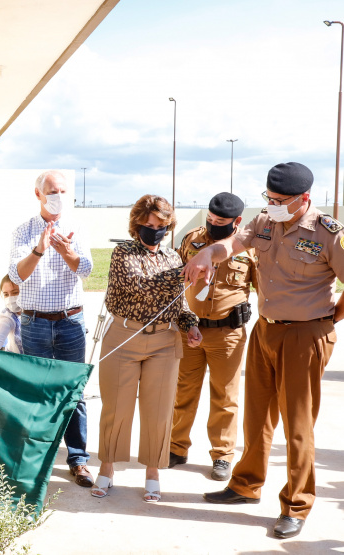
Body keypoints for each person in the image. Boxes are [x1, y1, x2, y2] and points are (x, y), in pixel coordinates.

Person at [186, 162, 344, 539]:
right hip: (264, 330)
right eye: (268, 198)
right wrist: (208, 254)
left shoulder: (329, 234)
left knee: (297, 425)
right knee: (256, 416)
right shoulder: (265, 223)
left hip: (306, 336)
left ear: (304, 198)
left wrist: (329, 320)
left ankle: (296, 504)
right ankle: (245, 485)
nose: (271, 204)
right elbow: (233, 243)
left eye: (280, 200)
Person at [91, 194, 202, 503]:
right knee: (117, 409)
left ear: (169, 227)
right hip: (124, 337)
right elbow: (140, 286)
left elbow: (178, 304)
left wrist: (190, 324)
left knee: (158, 411)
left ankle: (152, 472)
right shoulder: (123, 252)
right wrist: (186, 272)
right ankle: (107, 467)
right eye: (148, 224)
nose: (154, 230)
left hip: (165, 342)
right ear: (136, 224)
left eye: (161, 225)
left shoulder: (174, 257)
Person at [7, 170, 94, 488]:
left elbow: (86, 269)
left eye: (62, 190)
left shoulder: (77, 227)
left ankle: (79, 460)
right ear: (38, 194)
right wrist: (40, 248)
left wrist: (66, 252)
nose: (58, 195)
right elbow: (16, 276)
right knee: (37, 394)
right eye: (52, 191)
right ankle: (36, 461)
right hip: (33, 323)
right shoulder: (24, 231)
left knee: (74, 392)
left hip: (70, 322)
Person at [168, 192, 255, 482]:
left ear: (237, 222)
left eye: (221, 221)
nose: (213, 224)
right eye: (210, 218)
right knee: (183, 391)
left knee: (225, 396)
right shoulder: (192, 239)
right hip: (189, 329)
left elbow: (265, 289)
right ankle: (176, 447)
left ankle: (222, 455)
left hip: (227, 334)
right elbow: (175, 278)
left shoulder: (248, 247)